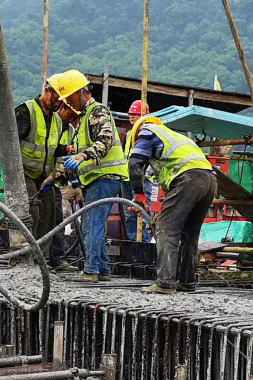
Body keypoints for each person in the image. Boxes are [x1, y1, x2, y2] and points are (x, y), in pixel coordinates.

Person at [49, 70, 127, 282]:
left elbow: (105, 141)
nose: (69, 103)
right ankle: (102, 269)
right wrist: (54, 177)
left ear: (81, 92)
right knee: (94, 223)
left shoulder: (96, 111)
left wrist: (83, 155)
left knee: (91, 223)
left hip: (105, 176)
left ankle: (91, 270)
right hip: (96, 179)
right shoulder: (84, 119)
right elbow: (75, 160)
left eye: (70, 98)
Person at [128, 108, 215, 294]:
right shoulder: (174, 137)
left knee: (165, 228)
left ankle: (165, 282)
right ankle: (186, 281)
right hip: (209, 179)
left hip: (189, 179)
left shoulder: (146, 131)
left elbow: (135, 163)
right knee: (189, 233)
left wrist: (139, 194)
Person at [15, 78, 75, 270]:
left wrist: (66, 149)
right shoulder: (26, 111)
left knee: (49, 215)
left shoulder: (57, 119)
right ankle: (19, 258)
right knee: (31, 212)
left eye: (61, 101)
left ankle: (38, 260)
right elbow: (11, 141)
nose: (59, 103)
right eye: (57, 98)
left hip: (44, 175)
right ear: (47, 91)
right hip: (24, 171)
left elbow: (50, 148)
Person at [124, 100, 153, 241]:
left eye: (135, 114)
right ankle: (133, 244)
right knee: (129, 214)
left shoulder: (149, 132)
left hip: (144, 179)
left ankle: (146, 244)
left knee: (146, 213)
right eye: (130, 114)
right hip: (127, 178)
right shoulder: (130, 133)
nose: (131, 117)